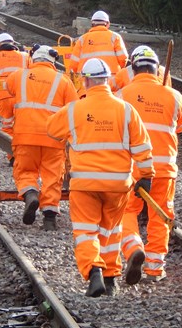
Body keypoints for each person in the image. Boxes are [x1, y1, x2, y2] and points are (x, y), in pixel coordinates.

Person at [46, 58, 154, 297]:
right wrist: (146, 176)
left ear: (84, 81)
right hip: (118, 185)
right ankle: (110, 279)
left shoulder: (75, 109)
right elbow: (142, 147)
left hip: (85, 185)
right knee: (111, 231)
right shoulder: (126, 110)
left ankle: (94, 270)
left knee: (86, 232)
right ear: (107, 81)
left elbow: (52, 130)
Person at [117, 46, 182, 284]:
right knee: (161, 215)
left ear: (133, 68)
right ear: (157, 69)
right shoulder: (174, 95)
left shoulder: (123, 95)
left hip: (133, 169)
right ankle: (155, 268)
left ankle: (133, 248)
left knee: (127, 211)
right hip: (165, 169)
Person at [6, 45, 78, 230]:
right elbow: (74, 110)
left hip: (24, 136)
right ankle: (49, 217)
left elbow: (6, 88)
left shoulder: (19, 76)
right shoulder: (63, 81)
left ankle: (30, 193)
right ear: (52, 61)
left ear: (34, 58)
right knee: (52, 177)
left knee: (25, 171)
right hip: (53, 139)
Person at [0, 33, 30, 137]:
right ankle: (21, 152)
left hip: (3, 98)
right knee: (23, 127)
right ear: (13, 44)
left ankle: (11, 151)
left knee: (8, 127)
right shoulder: (25, 56)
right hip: (22, 96)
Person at [69, 10, 128, 79]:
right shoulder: (115, 37)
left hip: (87, 80)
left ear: (92, 24)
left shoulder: (82, 39)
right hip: (110, 80)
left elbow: (73, 64)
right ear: (108, 24)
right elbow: (123, 58)